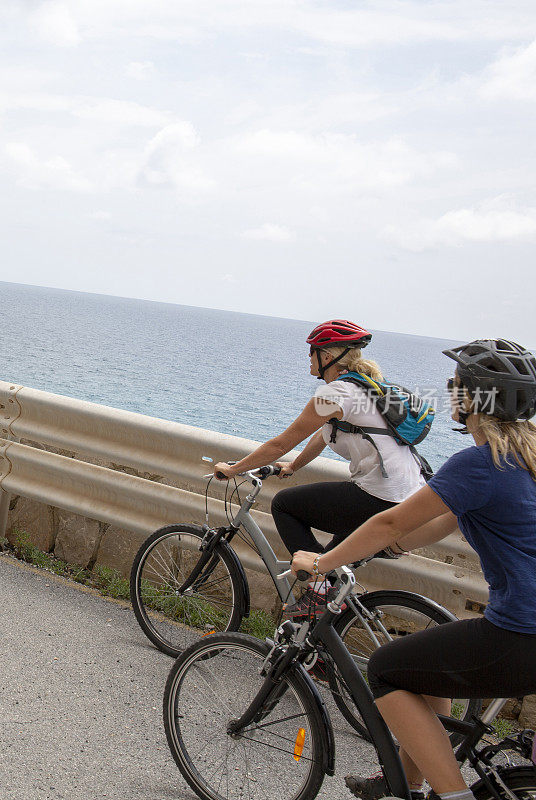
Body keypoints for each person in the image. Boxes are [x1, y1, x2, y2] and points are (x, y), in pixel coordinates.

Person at [290, 337, 536, 800]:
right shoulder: (525, 457)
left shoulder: (479, 464)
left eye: (455, 384)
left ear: (475, 399)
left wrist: (322, 562)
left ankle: (453, 794)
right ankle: (410, 783)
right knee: (423, 665)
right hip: (528, 632)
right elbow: (439, 520)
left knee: (385, 668)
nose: (450, 390)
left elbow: (391, 519)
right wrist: (391, 547)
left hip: (520, 632)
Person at [215, 319, 427, 616]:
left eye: (312, 352)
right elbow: (325, 433)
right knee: (329, 563)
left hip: (381, 497)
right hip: (410, 497)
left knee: (286, 506)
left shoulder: (335, 394)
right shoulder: (363, 388)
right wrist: (293, 466)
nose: (309, 358)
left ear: (327, 356)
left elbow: (280, 444)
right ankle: (320, 650)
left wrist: (234, 468)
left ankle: (317, 592)